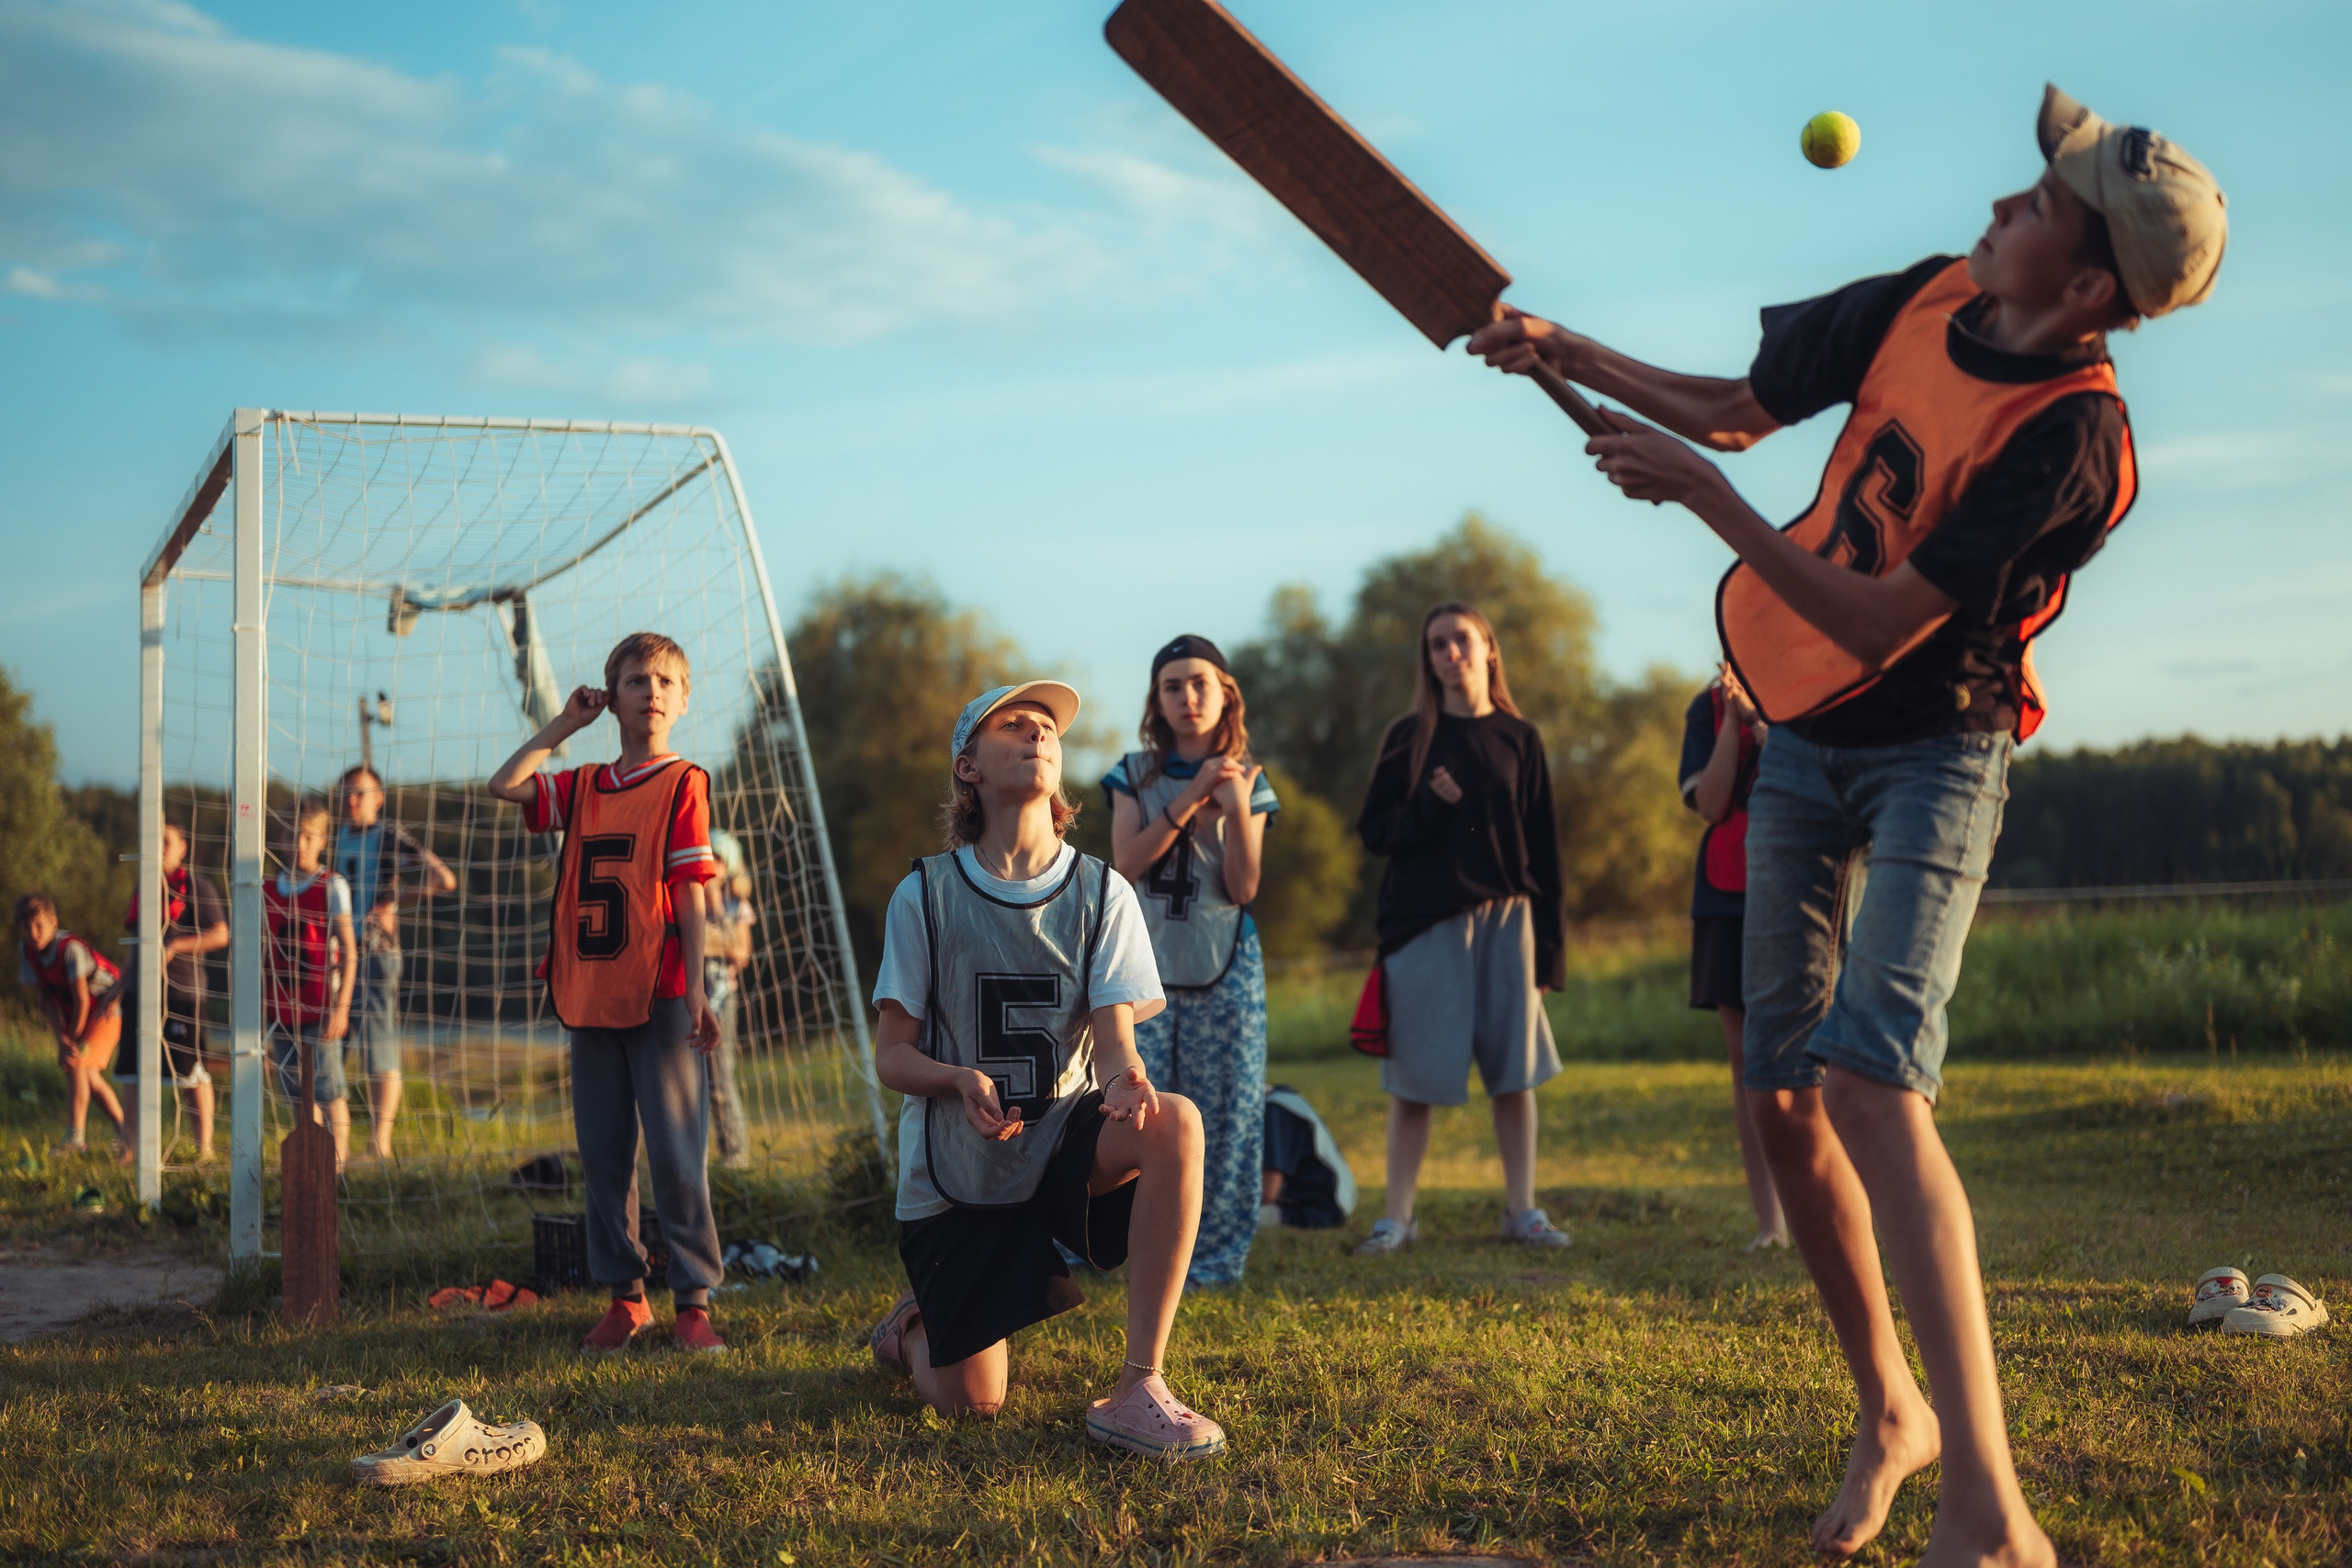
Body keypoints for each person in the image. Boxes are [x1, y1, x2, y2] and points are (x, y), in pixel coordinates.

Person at [1470, 85, 2223, 1567]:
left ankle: (1990, 1507)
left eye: (2042, 204)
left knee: (1873, 1086)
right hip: (1803, 720)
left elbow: (1885, 613)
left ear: (2084, 287)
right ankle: (1894, 1408)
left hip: (1936, 745)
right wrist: (1569, 355)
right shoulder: (1932, 287)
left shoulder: (2078, 443)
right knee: (1779, 1094)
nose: (2005, 204)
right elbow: (1741, 405)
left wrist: (1708, 502)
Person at [865, 682, 1225, 1459]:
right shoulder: (923, 893)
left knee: (1176, 1123)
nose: (1038, 733)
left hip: (1062, 1144)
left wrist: (1127, 1075)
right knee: (973, 1401)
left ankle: (1140, 1385)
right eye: (1013, 724)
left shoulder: (1102, 891)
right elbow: (891, 1056)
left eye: (1048, 728)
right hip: (957, 1172)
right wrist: (957, 1078)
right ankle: (910, 1324)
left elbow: (1115, 1031)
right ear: (968, 767)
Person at [487, 630, 727, 1356]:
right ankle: (627, 1298)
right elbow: (504, 784)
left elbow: (688, 892)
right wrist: (563, 726)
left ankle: (693, 1301)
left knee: (678, 1153)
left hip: (661, 991)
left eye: (663, 682)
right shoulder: (584, 782)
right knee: (603, 1155)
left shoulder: (684, 781)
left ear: (683, 701)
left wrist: (700, 990)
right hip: (588, 991)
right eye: (634, 680)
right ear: (610, 695)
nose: (650, 691)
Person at [1353, 602, 1570, 1256]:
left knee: (1515, 1077)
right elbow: (1375, 833)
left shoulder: (1520, 738)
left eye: (1462, 641)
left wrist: (1550, 956)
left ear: (1489, 650)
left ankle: (1523, 1211)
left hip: (1511, 924)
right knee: (1413, 1083)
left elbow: (1546, 853)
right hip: (1424, 929)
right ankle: (1398, 1217)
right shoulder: (1407, 737)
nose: (1451, 654)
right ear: (1429, 659)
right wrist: (1426, 804)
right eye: (1438, 645)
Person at [1102, 634, 1279, 1287]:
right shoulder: (1130, 774)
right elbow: (1125, 863)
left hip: (1225, 967)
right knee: (1134, 1111)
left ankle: (1215, 1256)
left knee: (1227, 1115)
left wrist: (1230, 808)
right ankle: (1115, 1243)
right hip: (1140, 971)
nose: (1187, 697)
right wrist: (1188, 799)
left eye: (1199, 682)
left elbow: (1245, 887)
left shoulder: (1250, 781)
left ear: (1224, 692)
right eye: (1172, 685)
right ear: (1157, 698)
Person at [1679, 666, 1786, 1250]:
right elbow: (1712, 802)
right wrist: (1731, 723)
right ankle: (1771, 1224)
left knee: (1812, 1051)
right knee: (1745, 1059)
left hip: (1799, 884)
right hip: (1725, 892)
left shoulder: (1810, 682)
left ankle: (1837, 1203)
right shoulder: (1705, 707)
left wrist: (1766, 728)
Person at [334, 766, 458, 1160]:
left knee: (378, 1046)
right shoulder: (337, 838)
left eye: (359, 793)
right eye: (345, 793)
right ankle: (334, 1140)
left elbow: (443, 878)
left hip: (374, 953)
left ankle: (379, 1142)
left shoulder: (386, 834)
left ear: (378, 798)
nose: (351, 800)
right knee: (334, 1041)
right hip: (338, 955)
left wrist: (394, 901)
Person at [117, 816, 228, 1164]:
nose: (158, 848)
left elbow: (221, 934)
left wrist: (176, 947)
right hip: (140, 990)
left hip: (182, 993)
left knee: (191, 1072)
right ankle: (131, 1148)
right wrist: (119, 986)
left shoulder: (198, 886)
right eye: (153, 840)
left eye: (166, 841)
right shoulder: (144, 885)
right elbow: (135, 942)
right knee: (131, 1070)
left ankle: (204, 1149)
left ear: (183, 848)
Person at [265, 800, 359, 1168]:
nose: (298, 844)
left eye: (307, 836)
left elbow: (350, 951)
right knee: (296, 1096)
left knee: (328, 1091)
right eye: (291, 836)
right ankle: (311, 1164)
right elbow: (264, 953)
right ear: (280, 839)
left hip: (320, 1008)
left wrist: (342, 1007)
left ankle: (337, 1166)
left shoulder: (332, 885)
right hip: (282, 1008)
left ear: (322, 840)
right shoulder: (267, 888)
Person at [15, 893, 126, 1156]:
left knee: (76, 1061)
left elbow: (82, 999)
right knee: (85, 1073)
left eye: (39, 925)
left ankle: (76, 1139)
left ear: (53, 922)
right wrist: (60, 1039)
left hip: (106, 1008)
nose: (33, 933)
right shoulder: (27, 953)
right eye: (26, 927)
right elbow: (45, 999)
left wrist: (71, 1042)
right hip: (78, 1014)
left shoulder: (70, 949)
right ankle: (126, 1132)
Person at [701, 830, 755, 1170]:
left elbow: (740, 951)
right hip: (686, 1001)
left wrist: (713, 918)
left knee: (720, 1078)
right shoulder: (684, 901)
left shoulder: (737, 905)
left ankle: (735, 1151)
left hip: (721, 1001)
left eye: (718, 860)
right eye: (707, 858)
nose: (712, 866)